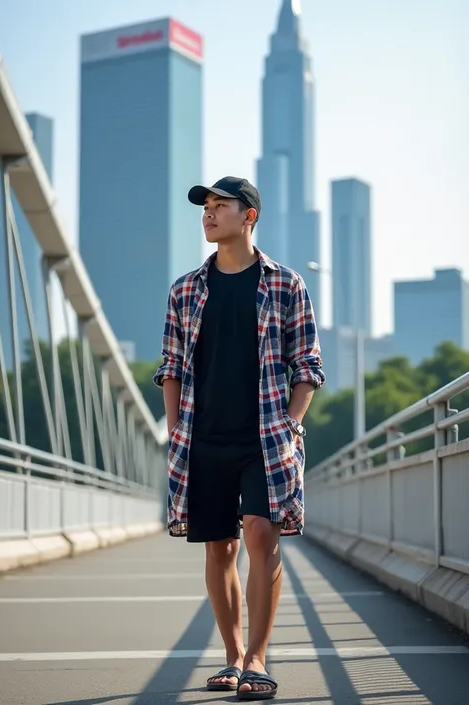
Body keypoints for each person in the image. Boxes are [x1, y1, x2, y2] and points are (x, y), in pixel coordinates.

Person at [154, 176, 325, 700]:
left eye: (219, 205)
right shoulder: (185, 289)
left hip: (265, 436)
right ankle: (230, 658)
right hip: (203, 436)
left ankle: (257, 658)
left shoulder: (285, 284)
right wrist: (177, 426)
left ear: (248, 215)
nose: (208, 214)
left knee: (259, 534)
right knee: (220, 548)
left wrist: (292, 422)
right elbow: (172, 366)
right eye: (205, 207)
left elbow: (308, 364)